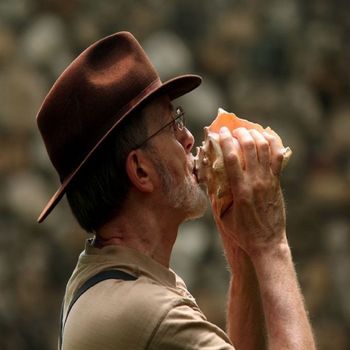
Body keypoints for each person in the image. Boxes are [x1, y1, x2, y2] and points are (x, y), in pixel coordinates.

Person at [36, 31, 316, 349]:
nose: (188, 139)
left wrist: (243, 255)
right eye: (172, 125)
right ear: (141, 170)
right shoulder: (148, 313)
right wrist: (270, 244)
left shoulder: (110, 278)